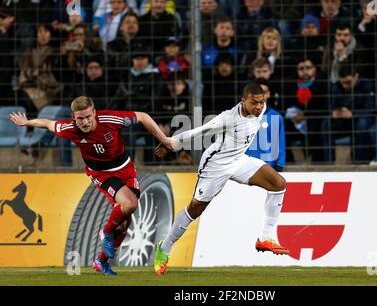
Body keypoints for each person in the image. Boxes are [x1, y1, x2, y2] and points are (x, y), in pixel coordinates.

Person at [9, 96, 174, 275]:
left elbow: (142, 116)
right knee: (130, 204)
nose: (86, 122)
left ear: (94, 112)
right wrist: (27, 123)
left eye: (88, 116)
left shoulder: (109, 119)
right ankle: (106, 232)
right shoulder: (70, 129)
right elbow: (48, 123)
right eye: (80, 118)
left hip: (126, 169)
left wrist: (164, 140)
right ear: (74, 117)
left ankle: (101, 261)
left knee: (125, 223)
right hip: (102, 174)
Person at [152, 82, 289, 275]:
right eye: (254, 103)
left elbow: (259, 107)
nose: (259, 107)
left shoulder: (262, 108)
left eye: (261, 102)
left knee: (278, 184)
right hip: (216, 165)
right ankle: (164, 248)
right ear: (244, 101)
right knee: (195, 208)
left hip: (239, 160)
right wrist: (171, 143)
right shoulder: (228, 118)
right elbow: (199, 131)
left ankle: (265, 237)